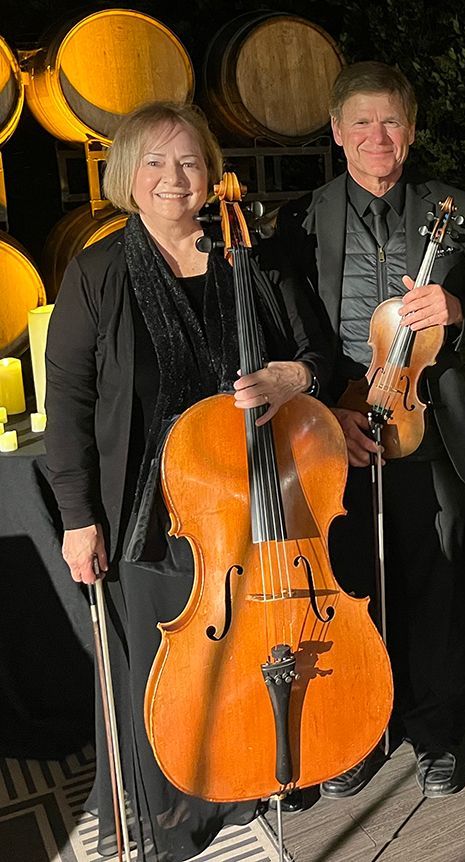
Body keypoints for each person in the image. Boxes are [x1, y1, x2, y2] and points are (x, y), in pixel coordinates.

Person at [45, 101, 331, 861]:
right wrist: (78, 517)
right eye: (155, 162)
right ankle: (174, 812)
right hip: (148, 512)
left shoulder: (250, 258)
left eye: (190, 161)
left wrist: (290, 377)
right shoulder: (99, 272)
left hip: (254, 505)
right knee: (165, 673)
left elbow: (319, 356)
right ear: (127, 175)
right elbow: (67, 403)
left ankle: (251, 770)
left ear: (212, 173)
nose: (174, 178)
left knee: (248, 651)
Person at [274, 61, 465, 798]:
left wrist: (461, 313)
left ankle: (435, 733)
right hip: (336, 428)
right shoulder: (301, 219)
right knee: (346, 587)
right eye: (362, 122)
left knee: (438, 586)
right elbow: (289, 335)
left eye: (392, 121)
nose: (378, 136)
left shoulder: (458, 211)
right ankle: (354, 732)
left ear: (411, 130)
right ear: (336, 131)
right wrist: (325, 411)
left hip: (430, 430)